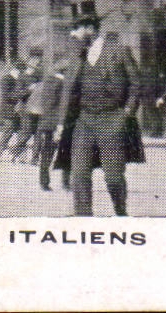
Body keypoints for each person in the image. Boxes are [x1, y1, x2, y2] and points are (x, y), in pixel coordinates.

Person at [55, 11, 141, 216]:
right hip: (84, 121)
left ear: (91, 29)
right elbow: (68, 90)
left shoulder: (119, 51)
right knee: (79, 173)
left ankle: (121, 212)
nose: (73, 34)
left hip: (112, 118)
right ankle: (83, 217)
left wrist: (127, 112)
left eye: (77, 30)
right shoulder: (77, 55)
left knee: (113, 175)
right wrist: (61, 124)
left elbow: (136, 84)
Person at [29, 60, 68, 191]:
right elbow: (55, 104)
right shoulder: (59, 83)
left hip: (48, 122)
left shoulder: (49, 81)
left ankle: (46, 182)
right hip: (56, 123)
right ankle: (60, 182)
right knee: (57, 152)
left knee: (48, 153)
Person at [0, 60, 26, 159]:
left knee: (22, 132)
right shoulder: (7, 79)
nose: (21, 73)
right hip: (9, 109)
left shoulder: (21, 80)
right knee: (8, 131)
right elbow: (7, 95)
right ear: (15, 69)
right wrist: (22, 94)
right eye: (20, 70)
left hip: (20, 109)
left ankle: (18, 155)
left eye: (22, 70)